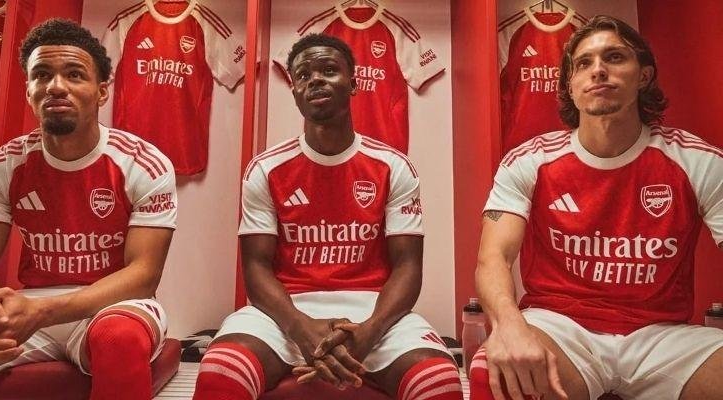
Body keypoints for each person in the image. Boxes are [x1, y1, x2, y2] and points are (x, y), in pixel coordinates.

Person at [192, 33, 462, 400]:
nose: (315, 79)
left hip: (373, 310)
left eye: (329, 70)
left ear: (353, 83)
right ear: (294, 92)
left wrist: (367, 334)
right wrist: (302, 330)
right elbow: (256, 268)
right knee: (221, 370)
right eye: (303, 75)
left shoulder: (393, 166)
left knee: (439, 380)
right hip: (285, 312)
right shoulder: (265, 169)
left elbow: (408, 267)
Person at [471, 15, 723, 400]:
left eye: (615, 57)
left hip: (663, 336)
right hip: (561, 328)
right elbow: (493, 258)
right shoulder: (529, 160)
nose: (598, 70)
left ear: (644, 76)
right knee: (496, 373)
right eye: (583, 63)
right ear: (570, 86)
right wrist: (508, 326)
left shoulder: (697, 161)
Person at [0, 18, 177, 400]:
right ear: (28, 90)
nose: (56, 86)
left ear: (102, 92)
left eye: (74, 74)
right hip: (29, 305)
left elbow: (143, 274)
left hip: (112, 306)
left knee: (119, 338)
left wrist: (42, 312)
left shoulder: (142, 163)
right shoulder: (2, 165)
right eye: (41, 75)